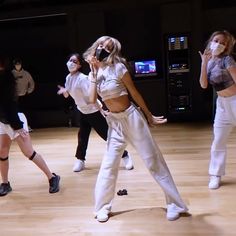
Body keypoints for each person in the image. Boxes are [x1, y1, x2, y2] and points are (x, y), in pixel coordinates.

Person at [83, 36, 188, 222]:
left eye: (107, 47)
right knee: (108, 165)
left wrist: (148, 115)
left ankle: (175, 204)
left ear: (113, 51)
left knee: (153, 160)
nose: (102, 48)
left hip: (131, 117)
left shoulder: (119, 67)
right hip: (114, 123)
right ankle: (101, 207)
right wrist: (92, 72)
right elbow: (91, 100)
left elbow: (134, 93)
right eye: (100, 44)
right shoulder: (94, 73)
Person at [57, 53, 133, 172]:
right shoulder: (68, 78)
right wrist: (64, 91)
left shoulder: (83, 78)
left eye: (74, 61)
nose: (71, 63)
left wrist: (102, 110)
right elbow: (68, 93)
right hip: (82, 111)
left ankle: (125, 155)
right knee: (82, 136)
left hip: (93, 111)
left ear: (79, 65)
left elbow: (92, 97)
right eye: (70, 60)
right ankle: (80, 160)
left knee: (106, 136)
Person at [0, 55, 60, 196]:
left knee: (29, 153)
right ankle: (5, 183)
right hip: (3, 121)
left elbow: (10, 106)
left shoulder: (6, 79)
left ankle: (52, 177)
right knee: (2, 152)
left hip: (15, 121)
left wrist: (18, 126)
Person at [199, 30, 236, 190]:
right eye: (216, 40)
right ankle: (215, 175)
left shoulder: (227, 60)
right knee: (218, 140)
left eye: (223, 43)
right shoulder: (209, 62)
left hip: (235, 101)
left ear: (227, 46)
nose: (219, 44)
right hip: (222, 104)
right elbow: (203, 84)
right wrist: (203, 63)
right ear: (210, 41)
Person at [12, 58, 35, 132]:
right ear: (14, 65)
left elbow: (32, 83)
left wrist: (29, 91)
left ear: (21, 65)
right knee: (15, 112)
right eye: (16, 64)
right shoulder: (11, 74)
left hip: (24, 96)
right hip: (14, 97)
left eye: (19, 64)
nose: (18, 66)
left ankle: (27, 126)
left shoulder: (26, 73)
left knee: (26, 112)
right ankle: (16, 127)